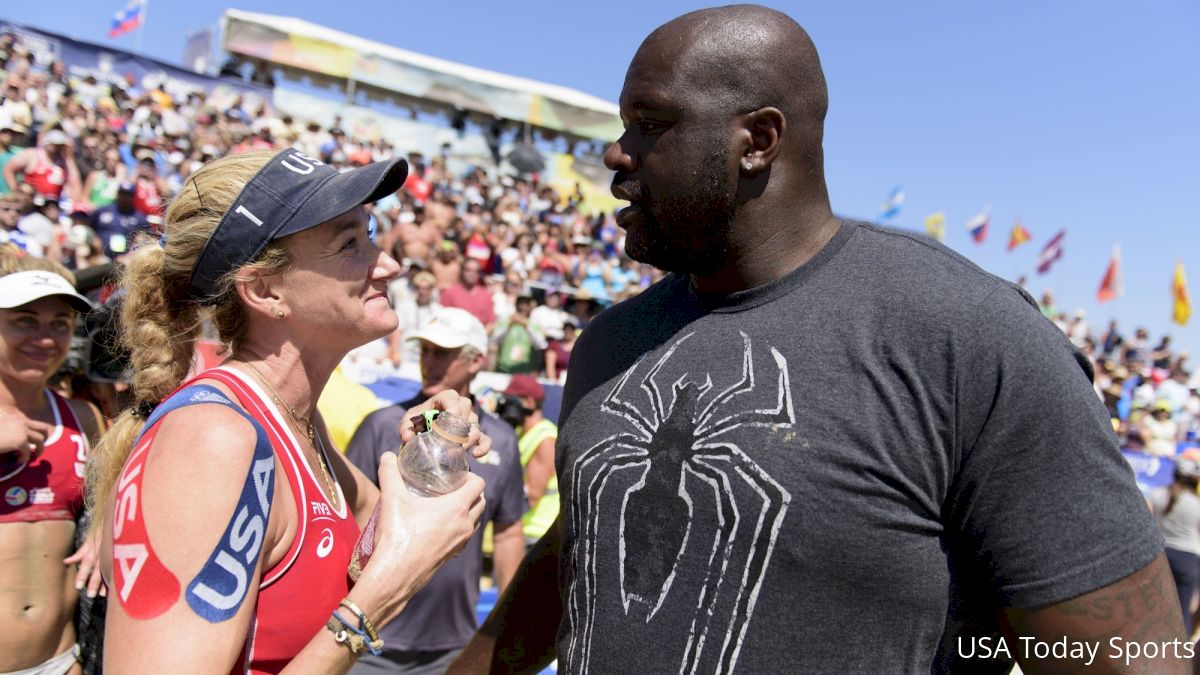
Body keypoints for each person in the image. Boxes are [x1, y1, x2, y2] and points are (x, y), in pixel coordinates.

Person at [452, 6, 1184, 674]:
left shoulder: (967, 338)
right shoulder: (611, 344)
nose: (616, 154)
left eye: (651, 122)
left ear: (757, 140)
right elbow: (578, 551)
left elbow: (1131, 656)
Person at [87, 148, 490, 673]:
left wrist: (436, 435)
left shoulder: (293, 419)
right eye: (350, 243)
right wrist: (371, 609)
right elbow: (385, 576)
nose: (388, 264)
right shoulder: (216, 441)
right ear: (263, 289)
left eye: (370, 235)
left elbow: (379, 535)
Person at [345, 307, 525, 675]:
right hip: (370, 634)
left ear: (476, 361)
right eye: (424, 350)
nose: (429, 361)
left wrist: (505, 625)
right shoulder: (383, 425)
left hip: (453, 643)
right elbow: (346, 517)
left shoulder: (501, 441)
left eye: (442, 353)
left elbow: (508, 533)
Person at [0, 263, 105, 675]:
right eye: (25, 321)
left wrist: (103, 527)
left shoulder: (83, 418)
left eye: (60, 323)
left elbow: (114, 497)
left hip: (59, 662)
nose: (44, 338)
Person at [499, 375, 559, 546]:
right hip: (520, 530)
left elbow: (530, 496)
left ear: (530, 402)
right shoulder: (520, 434)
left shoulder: (545, 439)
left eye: (512, 400)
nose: (507, 406)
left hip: (535, 535)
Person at [1149, 459, 1200, 637]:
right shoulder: (1196, 504)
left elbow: (1146, 522)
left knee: (1151, 607)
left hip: (1158, 555)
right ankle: (1180, 656)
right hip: (1187, 560)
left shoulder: (1157, 494)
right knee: (1181, 611)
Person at [87, 182, 151, 260]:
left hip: (126, 258)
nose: (124, 198)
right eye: (122, 194)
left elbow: (144, 238)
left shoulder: (139, 217)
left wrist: (130, 254)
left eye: (128, 195)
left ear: (133, 197)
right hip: (99, 256)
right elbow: (89, 228)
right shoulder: (103, 211)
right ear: (117, 194)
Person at [438, 259, 496, 334]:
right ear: (462, 271)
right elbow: (441, 317)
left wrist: (480, 337)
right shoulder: (450, 292)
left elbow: (490, 322)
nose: (472, 274)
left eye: (476, 271)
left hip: (478, 339)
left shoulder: (486, 295)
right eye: (468, 270)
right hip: (454, 338)